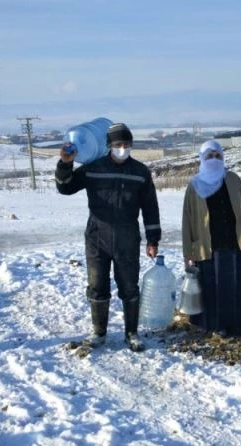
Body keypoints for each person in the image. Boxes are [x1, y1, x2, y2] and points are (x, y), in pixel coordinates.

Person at [56, 123, 161, 352]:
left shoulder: (140, 172)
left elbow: (150, 207)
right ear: (109, 146)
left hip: (128, 238)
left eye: (126, 144)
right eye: (117, 144)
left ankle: (131, 333)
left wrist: (153, 239)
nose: (122, 148)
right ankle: (99, 332)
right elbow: (65, 187)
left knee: (129, 287)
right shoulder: (94, 168)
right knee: (97, 286)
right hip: (97, 237)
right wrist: (65, 163)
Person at [181, 140, 241, 337]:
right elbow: (187, 220)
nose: (214, 159)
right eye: (209, 156)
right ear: (202, 158)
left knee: (238, 286)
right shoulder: (195, 186)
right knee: (213, 288)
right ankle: (217, 326)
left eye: (218, 155)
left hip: (236, 243)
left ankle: (240, 324)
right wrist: (187, 252)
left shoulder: (234, 180)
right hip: (208, 247)